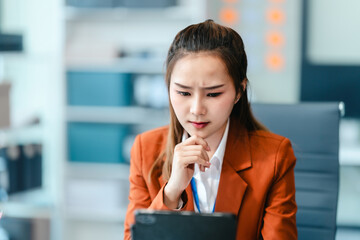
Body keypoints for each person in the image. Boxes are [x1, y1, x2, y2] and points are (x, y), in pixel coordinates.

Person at [124, 19, 297, 240]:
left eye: (213, 94)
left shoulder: (274, 157)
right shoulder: (145, 150)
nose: (197, 110)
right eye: (184, 93)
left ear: (238, 91)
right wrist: (171, 193)